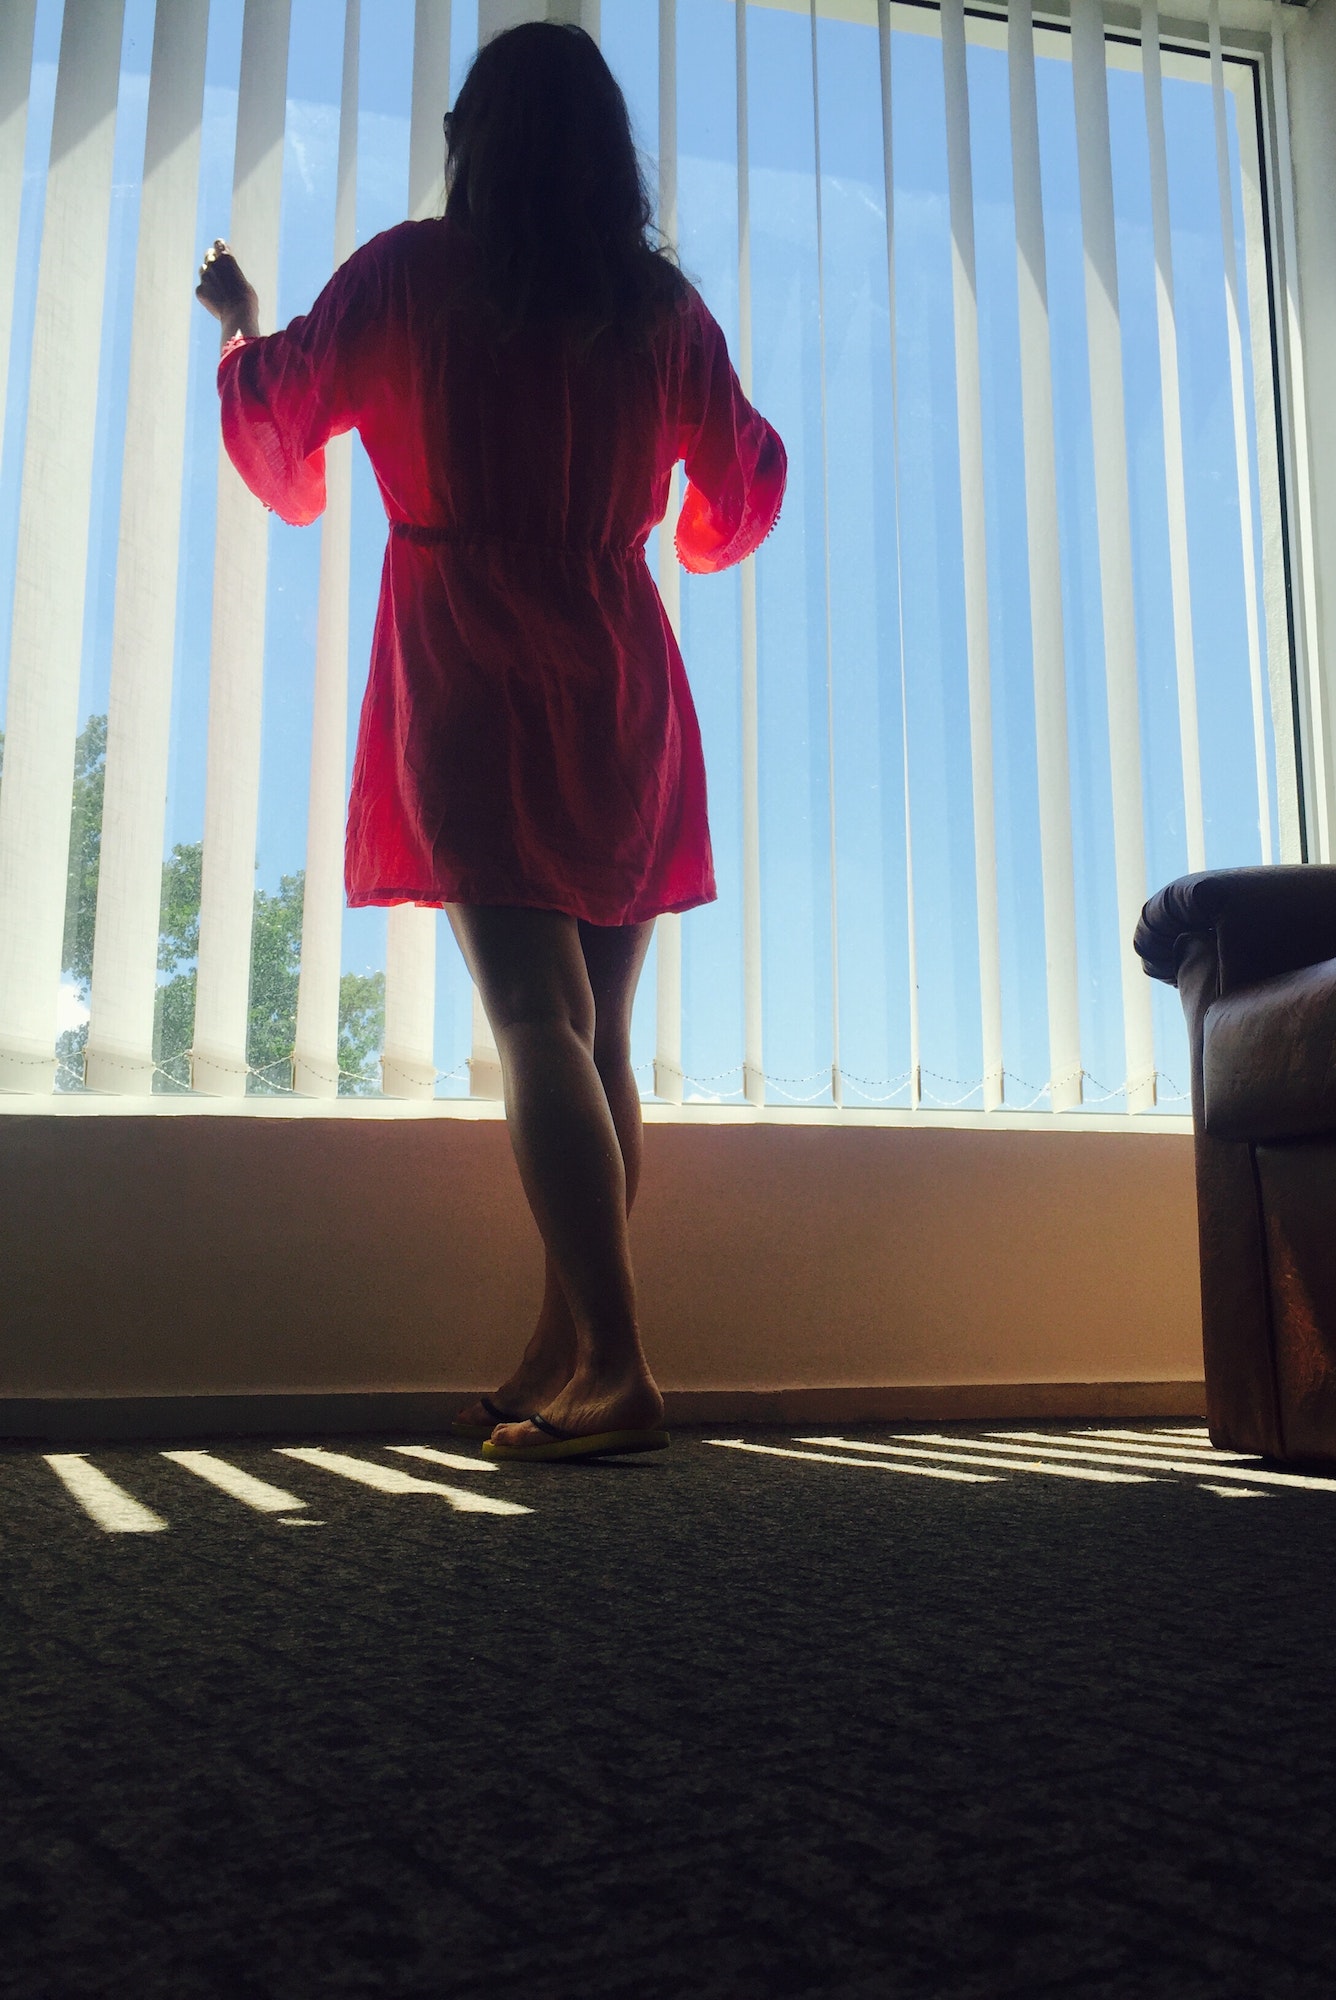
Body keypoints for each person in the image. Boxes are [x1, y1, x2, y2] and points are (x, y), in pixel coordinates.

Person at [195, 23, 786, 1464]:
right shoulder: (654, 308)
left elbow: (285, 411)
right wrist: (681, 537)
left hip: (468, 663)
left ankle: (623, 1364)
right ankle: (564, 1347)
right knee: (595, 1032)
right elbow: (747, 480)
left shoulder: (413, 276)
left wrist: (233, 323)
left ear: (475, 140)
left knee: (535, 1026)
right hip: (618, 669)